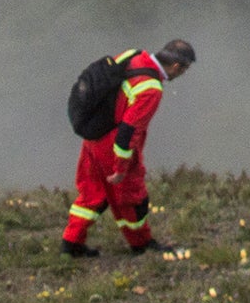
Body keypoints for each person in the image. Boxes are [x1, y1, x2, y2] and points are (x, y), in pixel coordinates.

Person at [61, 40, 195, 257]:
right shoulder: (151, 88)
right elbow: (129, 131)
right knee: (131, 196)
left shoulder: (133, 56)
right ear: (177, 67)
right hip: (112, 143)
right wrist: (121, 167)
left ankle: (71, 243)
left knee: (92, 192)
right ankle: (141, 244)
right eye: (184, 70)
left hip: (94, 134)